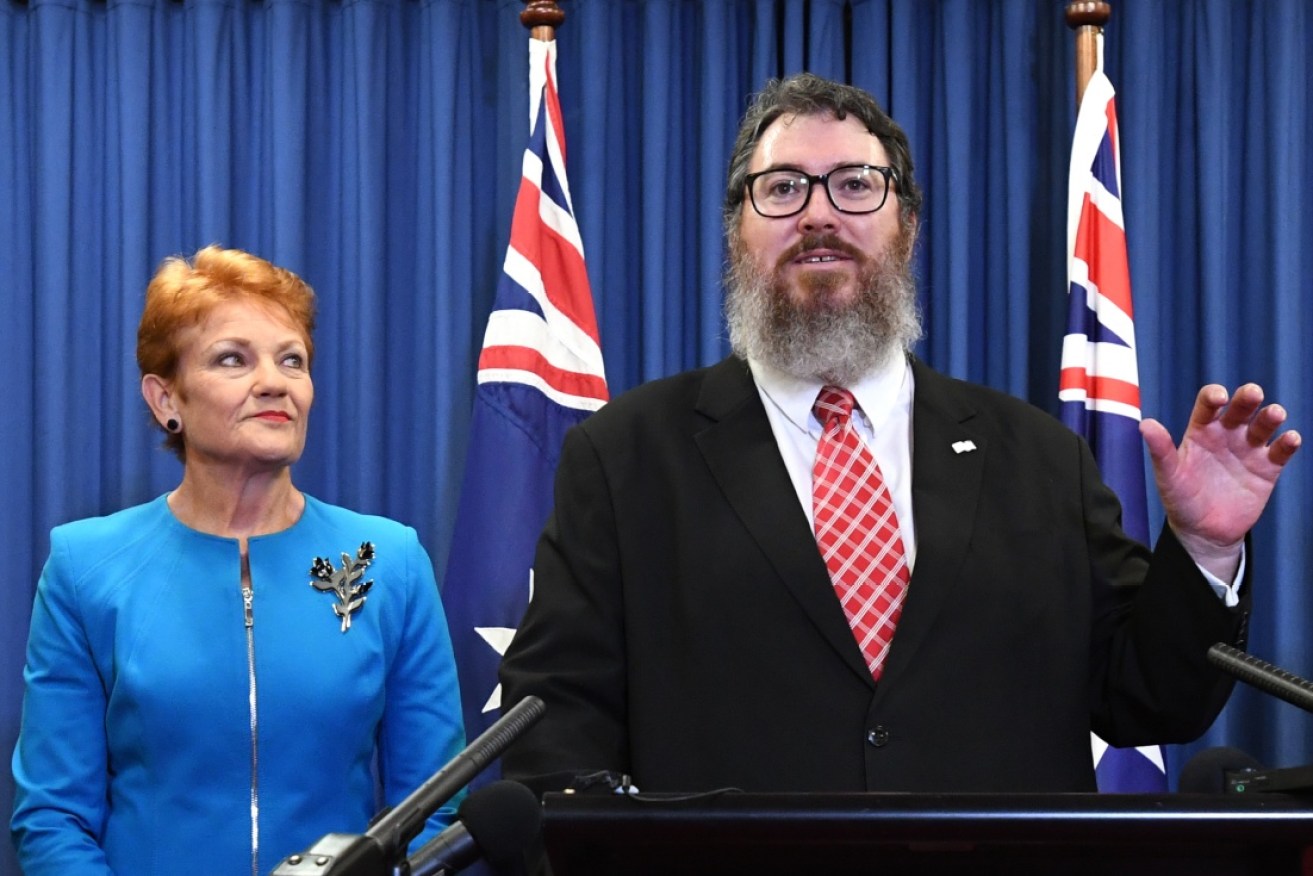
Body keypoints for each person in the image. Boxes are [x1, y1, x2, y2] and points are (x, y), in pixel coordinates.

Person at [497, 73, 1301, 797]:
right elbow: (559, 731)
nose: (817, 214)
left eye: (855, 186)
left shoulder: (1037, 459)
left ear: (907, 228)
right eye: (781, 189)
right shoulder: (626, 456)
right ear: (738, 232)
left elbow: (1147, 697)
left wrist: (1200, 552)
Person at [11, 246, 465, 875]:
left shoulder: (393, 562)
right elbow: (54, 818)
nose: (274, 382)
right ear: (166, 398)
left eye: (292, 360)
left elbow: (437, 810)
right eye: (233, 359)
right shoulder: (85, 566)